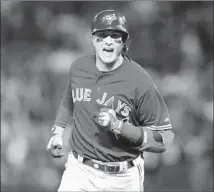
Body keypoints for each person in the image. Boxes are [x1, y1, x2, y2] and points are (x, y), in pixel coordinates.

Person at [46, 9, 174, 192]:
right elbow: (69, 99)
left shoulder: (140, 80)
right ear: (93, 40)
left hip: (122, 178)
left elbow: (164, 138)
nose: (107, 40)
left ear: (125, 42)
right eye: (102, 35)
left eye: (115, 35)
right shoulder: (79, 68)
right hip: (79, 170)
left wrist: (120, 127)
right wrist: (58, 131)